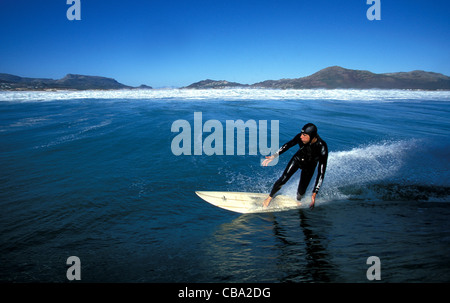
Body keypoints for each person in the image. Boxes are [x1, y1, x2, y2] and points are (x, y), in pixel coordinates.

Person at [262, 123, 328, 209]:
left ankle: (298, 200)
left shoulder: (322, 147)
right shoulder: (300, 138)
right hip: (298, 159)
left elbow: (321, 172)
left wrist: (314, 193)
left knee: (301, 193)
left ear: (312, 136)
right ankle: (269, 197)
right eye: (301, 134)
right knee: (283, 178)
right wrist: (274, 156)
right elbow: (288, 145)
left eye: (304, 135)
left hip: (309, 166)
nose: (301, 137)